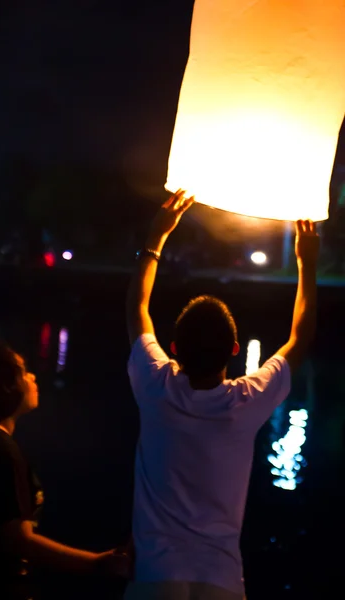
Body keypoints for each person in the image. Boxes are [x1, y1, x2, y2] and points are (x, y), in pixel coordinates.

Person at [125, 190, 319, 600]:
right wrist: (308, 261)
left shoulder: (155, 385)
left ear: (174, 349)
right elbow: (299, 338)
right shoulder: (246, 402)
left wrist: (155, 239)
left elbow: (137, 309)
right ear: (234, 351)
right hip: (222, 582)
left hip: (153, 578)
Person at [0, 343, 130, 599]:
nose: (32, 377)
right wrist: (96, 562)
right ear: (5, 387)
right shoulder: (0, 451)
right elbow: (17, 540)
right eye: (23, 372)